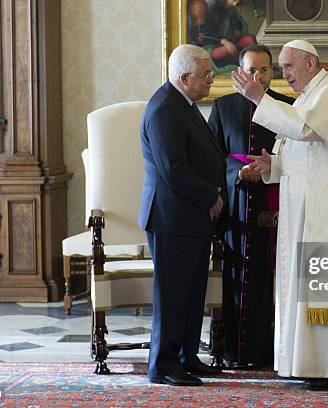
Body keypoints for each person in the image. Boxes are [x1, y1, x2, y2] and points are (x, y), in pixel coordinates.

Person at [231, 39, 328, 390]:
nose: (284, 75)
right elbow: (307, 148)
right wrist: (273, 165)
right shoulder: (310, 96)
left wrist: (257, 98)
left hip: (327, 199)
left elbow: (303, 130)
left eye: (288, 67)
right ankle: (313, 361)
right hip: (311, 197)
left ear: (310, 63)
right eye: (281, 69)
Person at [138, 44, 227, 386]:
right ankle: (163, 366)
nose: (210, 81)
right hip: (172, 218)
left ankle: (186, 357)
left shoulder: (183, 104)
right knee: (173, 295)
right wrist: (211, 196)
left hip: (190, 217)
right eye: (206, 76)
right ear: (184, 77)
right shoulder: (164, 108)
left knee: (191, 293)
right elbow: (173, 169)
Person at [208, 44, 295, 369]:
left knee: (274, 280)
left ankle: (277, 352)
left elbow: (297, 155)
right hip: (236, 206)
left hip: (275, 206)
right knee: (236, 278)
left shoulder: (287, 107)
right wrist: (236, 173)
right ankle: (234, 351)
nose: (257, 77)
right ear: (239, 73)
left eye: (264, 70)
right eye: (251, 70)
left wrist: (269, 169)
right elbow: (212, 157)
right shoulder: (223, 106)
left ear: (272, 72)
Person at [188, 0, 257, 69]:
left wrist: (232, 14)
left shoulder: (229, 9)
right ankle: (242, 60)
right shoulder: (211, 10)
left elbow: (238, 31)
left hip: (232, 42)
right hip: (212, 48)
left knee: (250, 39)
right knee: (225, 51)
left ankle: (253, 62)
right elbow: (203, 39)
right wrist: (222, 41)